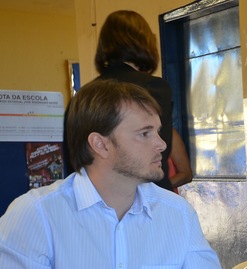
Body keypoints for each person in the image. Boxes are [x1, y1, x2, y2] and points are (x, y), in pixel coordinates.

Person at [0, 79, 229, 269]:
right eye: (145, 133)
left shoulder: (176, 211)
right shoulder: (37, 213)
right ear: (101, 144)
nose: (161, 144)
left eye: (158, 131)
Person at [64, 10, 178, 191]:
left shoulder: (82, 97)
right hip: (146, 193)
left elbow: (73, 161)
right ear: (145, 42)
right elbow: (159, 153)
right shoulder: (154, 88)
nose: (160, 143)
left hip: (89, 194)